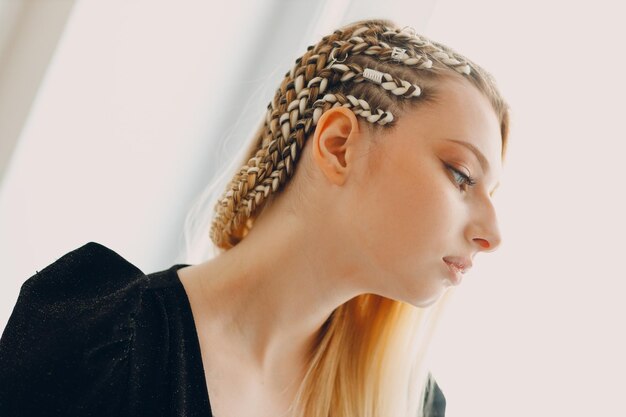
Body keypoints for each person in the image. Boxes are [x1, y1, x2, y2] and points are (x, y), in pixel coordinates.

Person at [0, 18, 510, 417]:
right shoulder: (97, 339)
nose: (493, 234)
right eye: (462, 174)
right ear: (338, 146)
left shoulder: (411, 407)